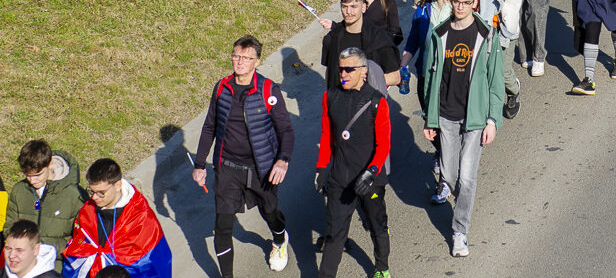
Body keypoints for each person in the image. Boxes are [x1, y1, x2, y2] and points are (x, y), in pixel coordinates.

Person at [192, 35, 294, 278]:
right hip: (228, 167)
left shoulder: (268, 90)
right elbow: (209, 127)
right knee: (223, 226)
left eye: (246, 58)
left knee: (270, 214)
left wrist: (282, 160)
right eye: (236, 56)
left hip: (262, 169)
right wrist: (199, 164)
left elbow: (286, 130)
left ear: (257, 62)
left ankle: (279, 240)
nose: (239, 62)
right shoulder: (221, 87)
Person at [421, 0, 505, 258]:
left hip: (475, 118)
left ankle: (459, 232)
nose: (460, 7)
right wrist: (429, 118)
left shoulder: (486, 34)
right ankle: (451, 189)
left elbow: (495, 80)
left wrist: (493, 119)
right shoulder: (439, 34)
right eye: (456, 1)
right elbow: (429, 79)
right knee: (449, 175)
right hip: (445, 115)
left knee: (467, 179)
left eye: (466, 3)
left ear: (474, 3)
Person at [315, 48, 392, 278]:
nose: (344, 74)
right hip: (340, 177)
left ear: (363, 71)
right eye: (341, 69)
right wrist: (321, 169)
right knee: (335, 233)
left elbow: (383, 145)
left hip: (370, 178)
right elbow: (326, 136)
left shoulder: (377, 102)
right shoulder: (330, 97)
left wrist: (372, 172)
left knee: (376, 225)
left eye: (349, 69)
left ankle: (382, 268)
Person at [63, 159, 171, 278]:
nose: (94, 197)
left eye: (101, 192)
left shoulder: (141, 218)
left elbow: (154, 262)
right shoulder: (87, 211)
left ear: (118, 185)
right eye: (92, 191)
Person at [400, 0, 457, 173]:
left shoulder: (456, 11)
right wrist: (403, 65)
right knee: (428, 117)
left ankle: (447, 159)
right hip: (426, 72)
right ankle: (442, 151)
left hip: (450, 76)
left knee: (446, 119)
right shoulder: (423, 10)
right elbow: (413, 40)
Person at [4, 141, 87, 270]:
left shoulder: (75, 195)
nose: (32, 180)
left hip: (57, 268)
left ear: (50, 164)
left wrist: (44, 246)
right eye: (28, 175)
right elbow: (9, 228)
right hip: (22, 267)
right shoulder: (19, 190)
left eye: (37, 175)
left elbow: (82, 240)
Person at [320, 0, 402, 87]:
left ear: (363, 7)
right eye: (345, 6)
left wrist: (361, 81)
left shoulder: (379, 40)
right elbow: (330, 73)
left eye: (354, 6)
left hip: (368, 101)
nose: (348, 12)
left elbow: (395, 77)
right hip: (338, 101)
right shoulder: (332, 39)